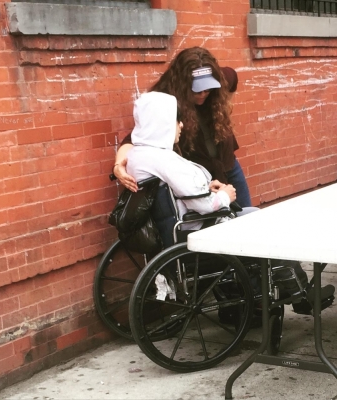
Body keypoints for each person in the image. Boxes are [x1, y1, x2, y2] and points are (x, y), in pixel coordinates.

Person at [126, 90, 334, 318]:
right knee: (269, 229)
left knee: (253, 213)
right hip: (196, 232)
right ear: (161, 123)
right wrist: (225, 195)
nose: (181, 125)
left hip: (174, 232)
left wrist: (206, 187)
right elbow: (204, 206)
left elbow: (182, 192)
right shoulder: (164, 160)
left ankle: (289, 292)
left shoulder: (138, 156)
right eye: (176, 120)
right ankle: (300, 294)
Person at [113, 47, 252, 207]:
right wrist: (118, 167)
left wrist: (222, 107)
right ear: (182, 84)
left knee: (248, 215)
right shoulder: (166, 100)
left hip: (228, 164)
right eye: (197, 90)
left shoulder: (219, 81)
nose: (203, 93)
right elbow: (135, 138)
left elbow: (232, 77)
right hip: (201, 178)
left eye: (208, 88)